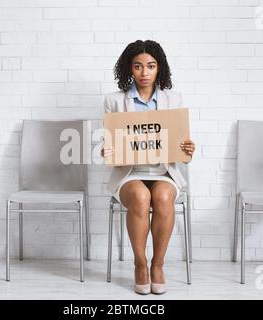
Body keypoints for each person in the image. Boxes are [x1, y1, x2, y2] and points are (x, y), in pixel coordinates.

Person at [101, 40, 196, 295]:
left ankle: (158, 265)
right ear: (129, 69)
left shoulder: (173, 99)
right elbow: (109, 147)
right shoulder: (114, 101)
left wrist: (187, 151)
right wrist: (106, 150)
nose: (144, 73)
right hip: (129, 173)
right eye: (138, 66)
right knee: (141, 197)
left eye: (151, 66)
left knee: (163, 196)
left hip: (164, 172)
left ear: (159, 68)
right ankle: (140, 263)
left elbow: (181, 151)